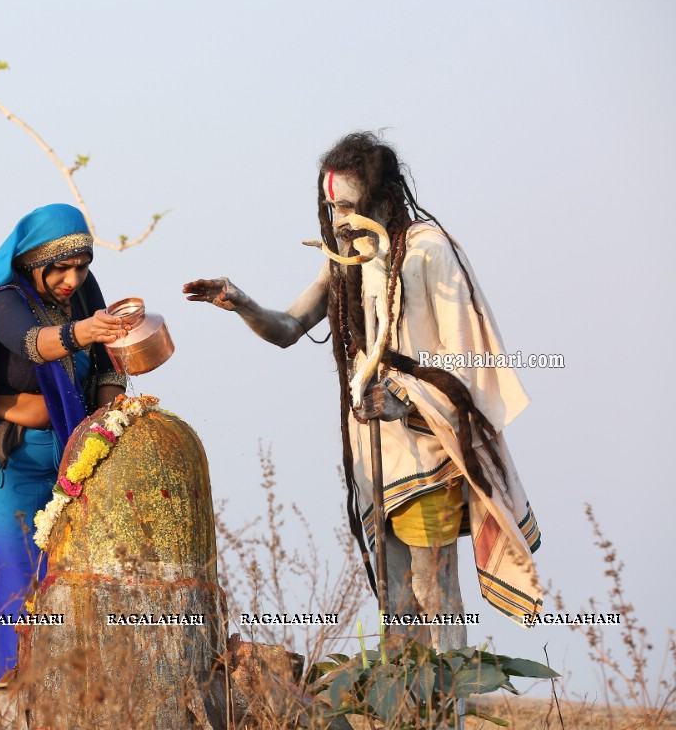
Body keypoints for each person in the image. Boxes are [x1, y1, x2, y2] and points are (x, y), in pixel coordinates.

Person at [184, 132, 542, 654]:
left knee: (434, 594)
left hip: (427, 453)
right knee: (394, 600)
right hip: (375, 464)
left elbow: (469, 361)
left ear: (383, 198)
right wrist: (240, 302)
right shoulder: (344, 258)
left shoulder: (428, 251)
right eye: (331, 208)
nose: (340, 220)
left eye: (350, 206)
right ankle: (405, 707)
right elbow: (288, 327)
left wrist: (405, 399)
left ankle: (448, 710)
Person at [0, 203, 131, 681]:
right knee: (15, 577)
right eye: (62, 268)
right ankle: (6, 682)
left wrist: (109, 412)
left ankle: (63, 684)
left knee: (66, 578)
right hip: (14, 462)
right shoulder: (2, 300)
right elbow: (33, 343)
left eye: (82, 265)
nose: (73, 279)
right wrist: (86, 330)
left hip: (75, 456)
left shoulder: (84, 290)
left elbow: (110, 360)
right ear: (32, 262)